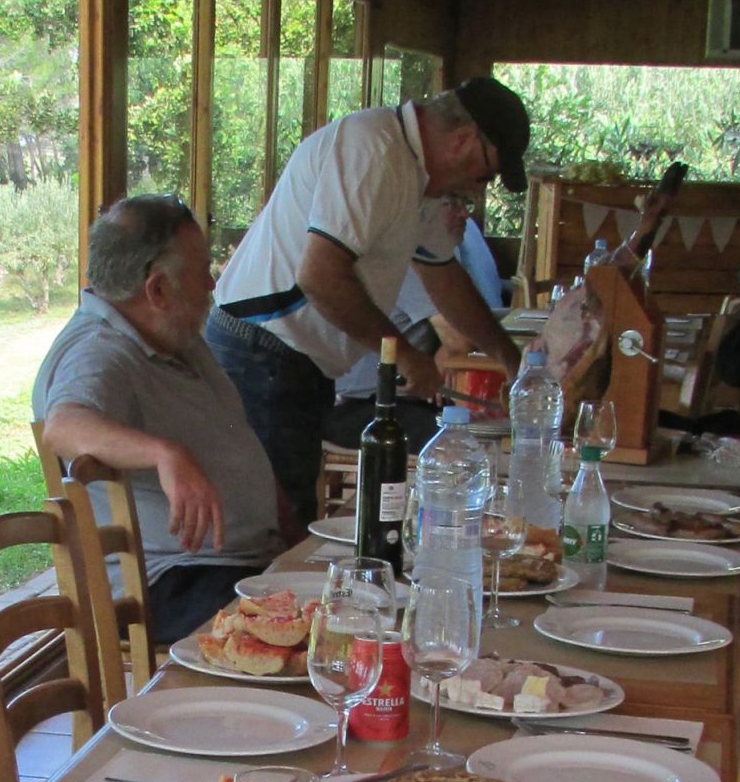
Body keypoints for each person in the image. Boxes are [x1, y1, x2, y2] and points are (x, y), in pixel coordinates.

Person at [207, 80, 530, 520]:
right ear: (463, 140)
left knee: (289, 516)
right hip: (258, 352)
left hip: (294, 359)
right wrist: (404, 355)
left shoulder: (421, 176)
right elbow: (320, 277)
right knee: (270, 523)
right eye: (485, 175)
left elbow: (444, 277)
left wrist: (509, 358)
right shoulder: (374, 151)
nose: (478, 191)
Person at [33, 194, 288, 643]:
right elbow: (63, 426)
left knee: (349, 606)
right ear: (158, 290)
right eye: (202, 271)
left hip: (234, 565)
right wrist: (165, 454)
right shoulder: (98, 350)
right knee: (326, 640)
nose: (212, 283)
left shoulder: (173, 336)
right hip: (172, 581)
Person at [323, 212, 509, 453]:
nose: (463, 212)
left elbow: (464, 332)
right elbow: (460, 339)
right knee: (467, 443)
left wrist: (445, 349)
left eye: (465, 204)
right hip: (361, 407)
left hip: (404, 400)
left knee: (481, 428)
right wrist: (447, 349)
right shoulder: (411, 261)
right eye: (450, 202)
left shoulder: (436, 255)